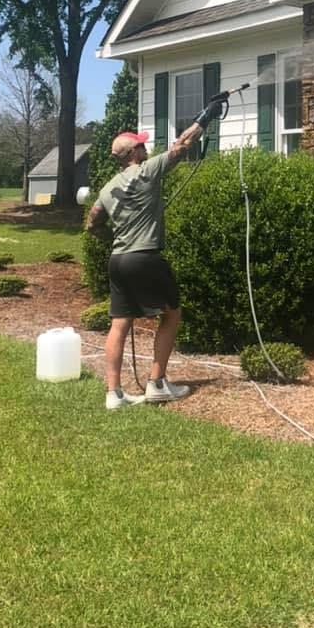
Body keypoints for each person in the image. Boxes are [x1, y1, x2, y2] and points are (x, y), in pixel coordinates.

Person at [86, 100, 222, 410]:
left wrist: (114, 237)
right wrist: (206, 116)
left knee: (119, 323)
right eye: (141, 145)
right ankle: (157, 383)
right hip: (145, 257)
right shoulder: (147, 171)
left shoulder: (107, 189)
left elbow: (92, 222)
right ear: (133, 153)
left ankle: (114, 394)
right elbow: (182, 146)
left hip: (118, 261)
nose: (146, 149)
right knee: (171, 314)